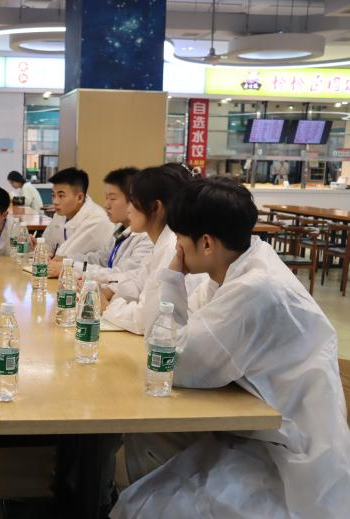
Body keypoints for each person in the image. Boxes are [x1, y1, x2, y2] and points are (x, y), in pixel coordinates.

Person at [113, 178, 350, 519]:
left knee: (150, 488)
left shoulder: (256, 288)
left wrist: (172, 277)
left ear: (207, 243)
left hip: (291, 457)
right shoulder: (239, 265)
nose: (177, 249)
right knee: (146, 443)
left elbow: (170, 361)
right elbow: (184, 332)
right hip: (261, 427)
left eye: (180, 239)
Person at [101, 165, 191, 335]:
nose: (128, 209)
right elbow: (139, 280)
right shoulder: (161, 241)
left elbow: (145, 320)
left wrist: (106, 307)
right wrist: (109, 290)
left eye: (133, 201)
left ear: (156, 207)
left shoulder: (172, 247)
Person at [67, 168, 153, 283]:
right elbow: (103, 259)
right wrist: (67, 260)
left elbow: (121, 275)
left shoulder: (147, 239)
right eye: (106, 198)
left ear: (134, 201)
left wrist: (72, 267)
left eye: (112, 198)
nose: (106, 205)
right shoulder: (120, 227)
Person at [42, 167, 114, 274]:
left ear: (80, 198)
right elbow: (46, 244)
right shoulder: (61, 214)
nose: (55, 201)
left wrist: (53, 258)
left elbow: (61, 258)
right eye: (53, 195)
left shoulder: (96, 220)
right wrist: (39, 249)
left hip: (83, 277)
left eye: (61, 196)